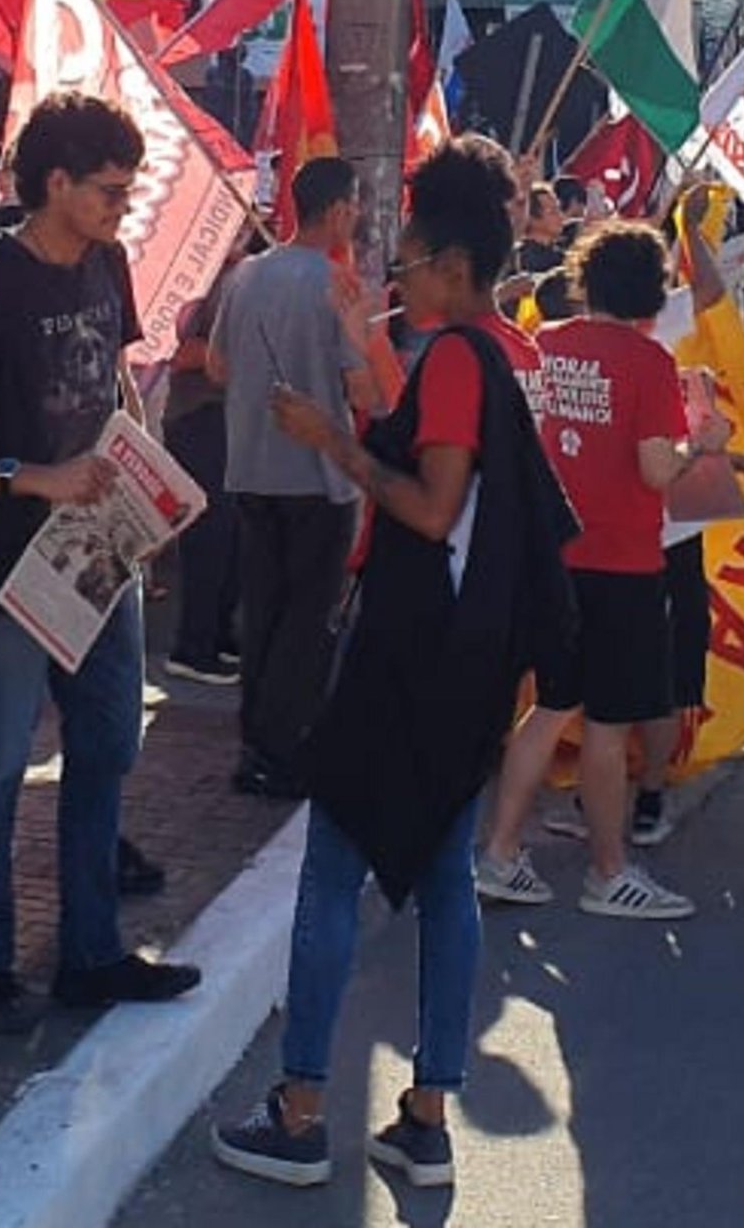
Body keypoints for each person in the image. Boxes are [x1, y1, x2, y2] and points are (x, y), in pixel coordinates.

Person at [212, 138, 576, 1193]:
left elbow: (430, 504)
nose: (396, 282)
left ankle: (301, 1108)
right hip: (469, 661)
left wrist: (332, 439)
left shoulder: (460, 358)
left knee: (334, 871)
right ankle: (423, 1118)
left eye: (409, 262)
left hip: (414, 658)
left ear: (456, 268)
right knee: (447, 878)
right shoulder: (500, 354)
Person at [0, 91, 198, 1036]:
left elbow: (112, 381)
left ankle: (90, 954)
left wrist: (138, 490)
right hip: (8, 572)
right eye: (110, 188)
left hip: (100, 555)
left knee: (108, 749)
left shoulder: (106, 261)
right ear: (54, 183)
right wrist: (36, 478)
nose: (123, 204)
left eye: (130, 187)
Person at [483, 223, 744, 920]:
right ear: (649, 291)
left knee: (548, 705)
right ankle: (607, 872)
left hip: (553, 556)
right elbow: (656, 469)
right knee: (609, 723)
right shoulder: (647, 362)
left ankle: (498, 853)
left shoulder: (546, 345)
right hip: (621, 561)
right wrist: (701, 442)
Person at [210, 157, 381, 798]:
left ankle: (257, 742)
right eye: (355, 205)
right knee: (307, 620)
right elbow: (363, 390)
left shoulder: (247, 274)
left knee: (264, 611)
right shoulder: (336, 285)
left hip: (251, 466)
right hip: (317, 475)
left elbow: (220, 367)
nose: (358, 215)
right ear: (337, 209)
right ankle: (282, 751)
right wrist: (358, 340)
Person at [158, 262, 243, 689]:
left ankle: (219, 635)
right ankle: (193, 646)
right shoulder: (200, 278)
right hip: (200, 415)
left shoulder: (241, 273)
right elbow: (181, 354)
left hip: (231, 418)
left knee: (233, 534)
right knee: (210, 534)